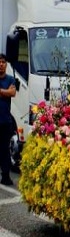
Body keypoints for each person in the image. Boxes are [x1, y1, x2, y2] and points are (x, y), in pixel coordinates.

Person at [0, 53, 18, 186]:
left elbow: (13, 93)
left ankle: (5, 176)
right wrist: (5, 91)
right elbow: (8, 92)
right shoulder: (8, 83)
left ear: (6, 65)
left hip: (5, 121)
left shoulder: (11, 79)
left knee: (5, 149)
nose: (1, 64)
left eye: (3, 62)